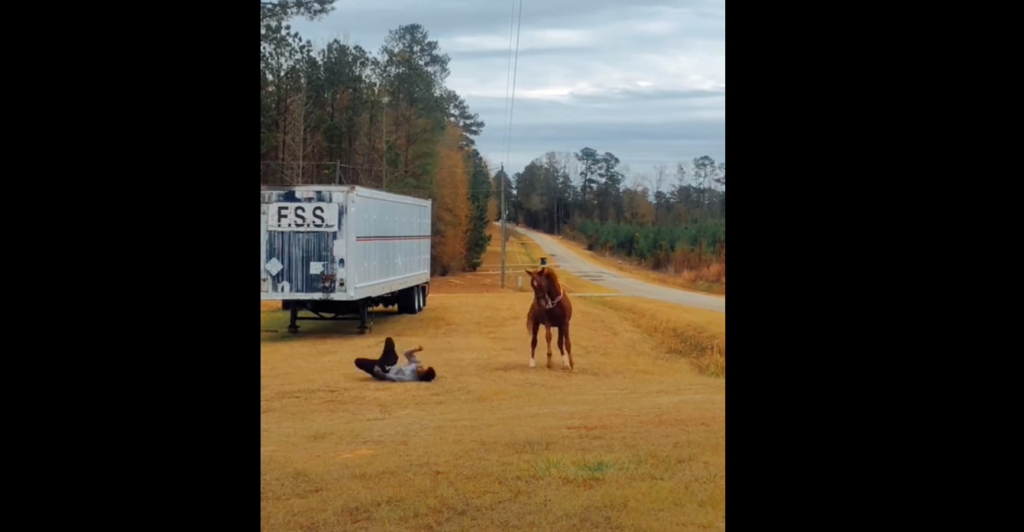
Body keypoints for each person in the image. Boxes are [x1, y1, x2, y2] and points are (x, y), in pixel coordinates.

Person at [353, 338, 437, 382]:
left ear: (420, 376)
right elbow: (406, 354)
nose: (420, 367)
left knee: (358, 362)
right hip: (390, 363)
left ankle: (379, 365)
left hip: (384, 370)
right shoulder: (415, 364)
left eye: (422, 370)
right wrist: (415, 350)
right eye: (423, 367)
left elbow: (393, 378)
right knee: (389, 342)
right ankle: (384, 359)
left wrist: (380, 373)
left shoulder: (410, 377)